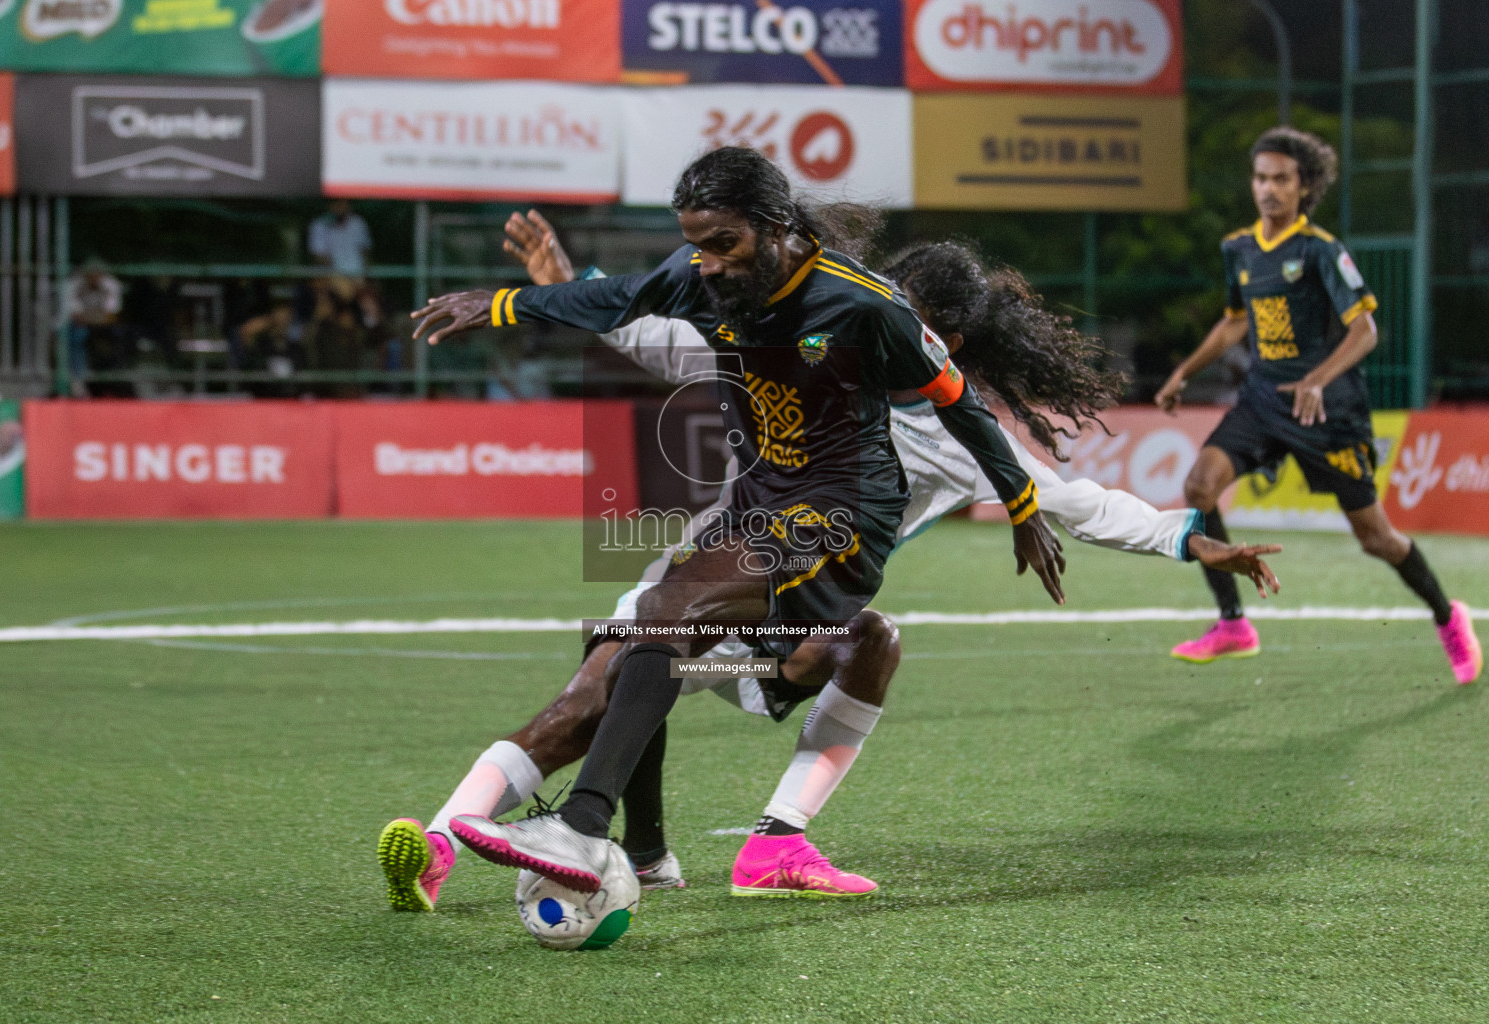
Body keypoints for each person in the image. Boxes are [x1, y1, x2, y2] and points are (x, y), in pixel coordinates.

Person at [381, 175, 1277, 906]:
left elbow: (1073, 500)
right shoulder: (771, 326)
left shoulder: (925, 406)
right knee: (598, 691)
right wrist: (544, 288)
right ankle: (454, 843)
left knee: (862, 639)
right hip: (725, 566)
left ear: (942, 340)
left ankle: (765, 844)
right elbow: (653, 330)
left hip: (792, 596)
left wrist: (1190, 539)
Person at [1155, 127, 1481, 683]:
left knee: (1377, 539)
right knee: (1198, 487)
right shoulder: (1238, 248)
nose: (1268, 189)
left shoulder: (1320, 250)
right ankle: (1233, 623)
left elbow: (1365, 330)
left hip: (1326, 413)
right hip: (1262, 400)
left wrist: (1317, 379)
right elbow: (1236, 321)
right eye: (1261, 177)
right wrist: (1184, 372)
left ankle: (1448, 617)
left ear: (1303, 187)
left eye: (1281, 179)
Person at [65, 257, 124, 398]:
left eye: (97, 275)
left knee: (120, 336)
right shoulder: (74, 285)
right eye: (90, 275)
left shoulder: (111, 285)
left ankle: (116, 379)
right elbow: (76, 317)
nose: (94, 279)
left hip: (103, 326)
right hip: (82, 325)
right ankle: (79, 379)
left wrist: (93, 317)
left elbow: (112, 317)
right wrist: (97, 317)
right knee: (77, 336)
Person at [307, 199, 371, 280]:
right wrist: (338, 274)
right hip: (332, 276)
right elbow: (318, 256)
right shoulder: (319, 225)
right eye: (337, 203)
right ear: (330, 205)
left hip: (358, 274)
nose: (341, 207)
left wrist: (365, 273)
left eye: (344, 203)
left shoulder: (358, 222)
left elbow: (365, 250)